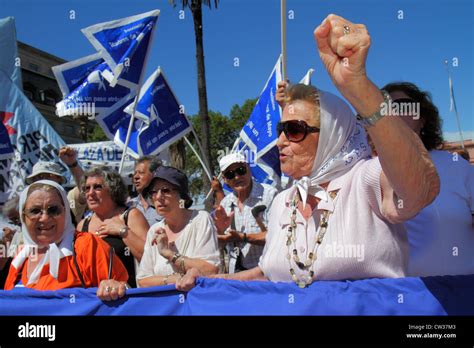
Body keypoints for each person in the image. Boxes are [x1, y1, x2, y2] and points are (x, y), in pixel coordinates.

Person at [176, 14, 440, 291]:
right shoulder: (282, 202)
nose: (279, 142)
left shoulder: (365, 180)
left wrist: (359, 87)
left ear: (331, 135)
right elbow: (269, 275)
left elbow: (421, 187)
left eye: (293, 130)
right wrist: (207, 282)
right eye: (280, 129)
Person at [382, 81, 474, 277]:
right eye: (383, 108)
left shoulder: (456, 165)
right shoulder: (365, 172)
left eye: (401, 106)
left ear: (422, 119)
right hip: (397, 298)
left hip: (463, 293)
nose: (392, 113)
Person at [3, 180, 128, 294]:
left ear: (66, 212)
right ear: (23, 216)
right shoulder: (20, 258)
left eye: (53, 210)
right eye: (35, 211)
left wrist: (117, 287)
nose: (45, 218)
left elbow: (127, 296)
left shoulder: (87, 246)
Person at [77, 166, 149, 288]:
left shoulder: (131, 216)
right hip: (92, 298)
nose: (90, 193)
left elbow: (150, 257)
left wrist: (123, 232)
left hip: (125, 296)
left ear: (113, 189)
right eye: (87, 188)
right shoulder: (82, 225)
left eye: (97, 187)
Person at [213, 153, 277, 273]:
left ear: (249, 169)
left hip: (266, 273)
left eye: (240, 170)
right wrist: (220, 233)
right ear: (225, 180)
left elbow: (277, 236)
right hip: (237, 275)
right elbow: (218, 246)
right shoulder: (225, 204)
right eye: (230, 174)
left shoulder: (270, 195)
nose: (237, 177)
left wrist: (243, 237)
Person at [129, 156, 163, 226]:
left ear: (154, 174)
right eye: (135, 173)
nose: (136, 177)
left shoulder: (166, 205)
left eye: (141, 173)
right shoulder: (129, 205)